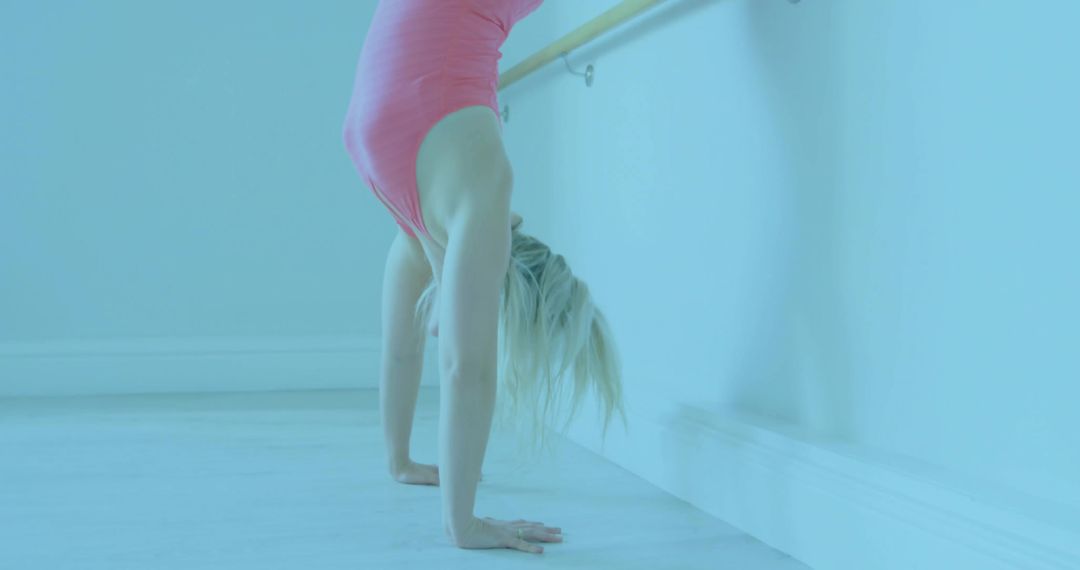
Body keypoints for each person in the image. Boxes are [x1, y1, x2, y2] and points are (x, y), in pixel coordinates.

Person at [341, 0, 626, 555]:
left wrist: (404, 462)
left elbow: (408, 348)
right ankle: (400, 460)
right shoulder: (469, 194)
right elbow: (465, 369)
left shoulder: (465, 189)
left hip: (390, 114)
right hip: (382, 134)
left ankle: (397, 457)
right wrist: (462, 522)